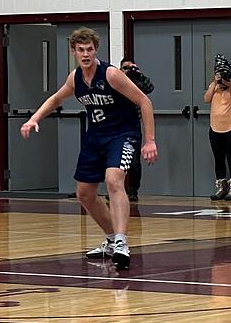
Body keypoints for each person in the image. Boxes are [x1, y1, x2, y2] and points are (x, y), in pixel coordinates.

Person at [21, 28, 158, 270]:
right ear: (73, 51)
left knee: (114, 180)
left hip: (123, 134)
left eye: (90, 49)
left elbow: (144, 101)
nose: (85, 54)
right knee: (84, 193)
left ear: (96, 50)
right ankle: (111, 239)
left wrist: (150, 140)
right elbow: (55, 99)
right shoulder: (75, 78)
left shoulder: (111, 74)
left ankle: (122, 243)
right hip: (95, 136)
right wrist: (35, 119)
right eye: (81, 50)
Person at [205, 54, 231, 202]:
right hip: (215, 129)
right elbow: (206, 99)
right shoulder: (213, 86)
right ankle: (221, 188)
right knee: (218, 158)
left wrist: (230, 86)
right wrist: (215, 84)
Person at [119, 57, 154, 203]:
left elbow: (149, 88)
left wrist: (138, 74)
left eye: (130, 67)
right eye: (125, 67)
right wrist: (124, 76)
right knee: (115, 162)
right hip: (116, 125)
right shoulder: (116, 80)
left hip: (132, 126)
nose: (129, 70)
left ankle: (133, 191)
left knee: (133, 162)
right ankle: (117, 190)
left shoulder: (138, 81)